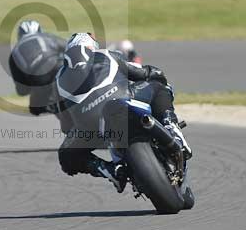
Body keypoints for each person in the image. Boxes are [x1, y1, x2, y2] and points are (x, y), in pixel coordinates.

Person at [55, 33, 190, 192]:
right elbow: (146, 72)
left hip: (90, 124)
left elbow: (66, 125)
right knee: (158, 86)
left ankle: (108, 170)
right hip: (122, 99)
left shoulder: (58, 80)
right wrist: (157, 75)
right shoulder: (106, 55)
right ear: (91, 46)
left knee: (66, 155)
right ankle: (170, 125)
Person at [8, 20, 66, 116]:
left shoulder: (14, 53)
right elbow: (71, 45)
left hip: (39, 79)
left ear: (19, 35)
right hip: (59, 66)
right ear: (40, 30)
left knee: (35, 108)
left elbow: (22, 91)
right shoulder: (47, 37)